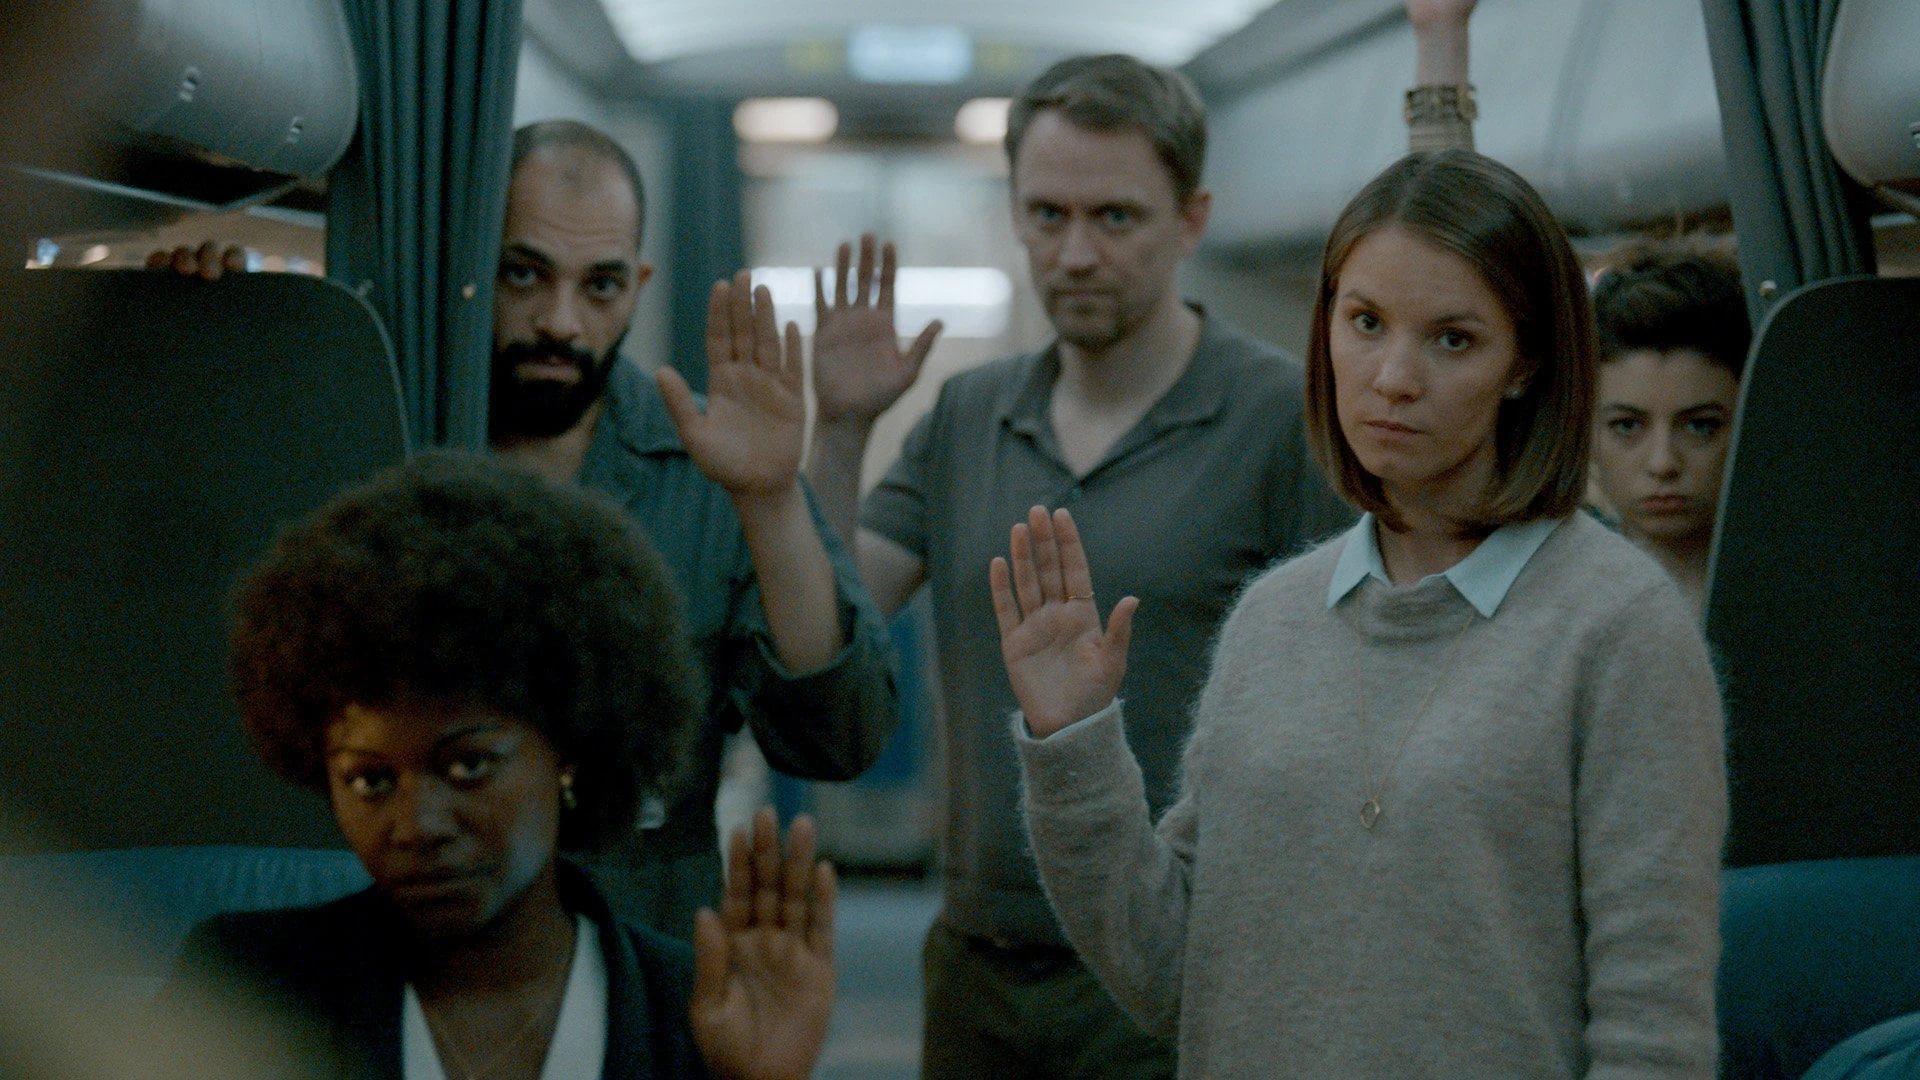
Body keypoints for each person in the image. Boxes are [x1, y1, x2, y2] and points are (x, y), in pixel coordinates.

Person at [799, 5, 1478, 1074]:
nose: (1076, 253)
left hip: (1187, 960)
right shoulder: (969, 414)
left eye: (1115, 217)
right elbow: (829, 621)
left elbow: (1377, 679)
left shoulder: (1281, 419)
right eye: (1048, 215)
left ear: (1191, 220)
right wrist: (838, 432)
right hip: (978, 961)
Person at [993, 151, 1727, 1078]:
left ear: (1525, 364)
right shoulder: (1274, 618)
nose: (1393, 377)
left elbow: (1653, 1030)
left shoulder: (1619, 626)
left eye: (1452, 339)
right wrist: (1075, 745)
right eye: (1366, 323)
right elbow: (1173, 976)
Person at [155, 120, 899, 941]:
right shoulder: (382, 426)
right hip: (405, 939)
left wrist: (771, 502)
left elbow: (840, 740)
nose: (560, 322)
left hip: (637, 950)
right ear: (472, 265)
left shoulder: (712, 466)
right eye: (524, 275)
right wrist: (209, 349)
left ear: (639, 286)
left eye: (600, 286)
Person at [160, 451, 835, 1080]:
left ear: (569, 749)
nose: (418, 825)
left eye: (468, 767)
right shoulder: (244, 992)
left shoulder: (692, 1012)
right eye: (371, 780)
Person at [1588, 241, 1749, 611]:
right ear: (1587, 432)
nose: (1663, 463)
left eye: (1701, 426)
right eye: (1626, 426)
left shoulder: (1816, 586)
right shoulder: (1552, 598)